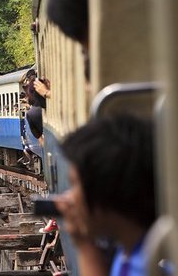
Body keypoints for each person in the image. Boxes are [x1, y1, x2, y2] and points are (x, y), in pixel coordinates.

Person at [55, 115, 155, 276]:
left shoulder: (147, 265)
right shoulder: (130, 250)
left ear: (104, 188)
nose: (69, 197)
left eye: (74, 185)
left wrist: (84, 246)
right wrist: (83, 242)